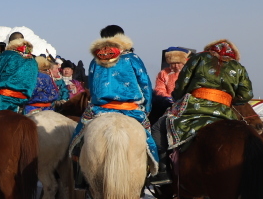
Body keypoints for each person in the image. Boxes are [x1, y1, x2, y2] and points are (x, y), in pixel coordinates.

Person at [149, 38, 253, 184]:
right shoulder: (238, 66)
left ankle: (162, 171)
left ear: (209, 49)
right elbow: (247, 94)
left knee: (158, 127)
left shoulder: (198, 58)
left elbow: (181, 85)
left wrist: (178, 96)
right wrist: (227, 99)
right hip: (225, 112)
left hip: (193, 108)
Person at [72, 25, 157, 183]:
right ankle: (153, 172)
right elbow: (145, 84)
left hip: (99, 109)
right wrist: (146, 109)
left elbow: (91, 87)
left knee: (77, 139)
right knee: (148, 140)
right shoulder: (133, 58)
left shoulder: (95, 60)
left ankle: (79, 176)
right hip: (131, 109)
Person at [0, 32, 38, 113]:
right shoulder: (32, 60)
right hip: (23, 102)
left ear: (10, 43)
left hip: (3, 99)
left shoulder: (7, 55)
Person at [152, 48, 189, 121]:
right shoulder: (163, 73)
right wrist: (168, 98)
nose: (176, 66)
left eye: (178, 63)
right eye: (173, 63)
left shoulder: (187, 73)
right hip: (167, 104)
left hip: (185, 103)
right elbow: (159, 89)